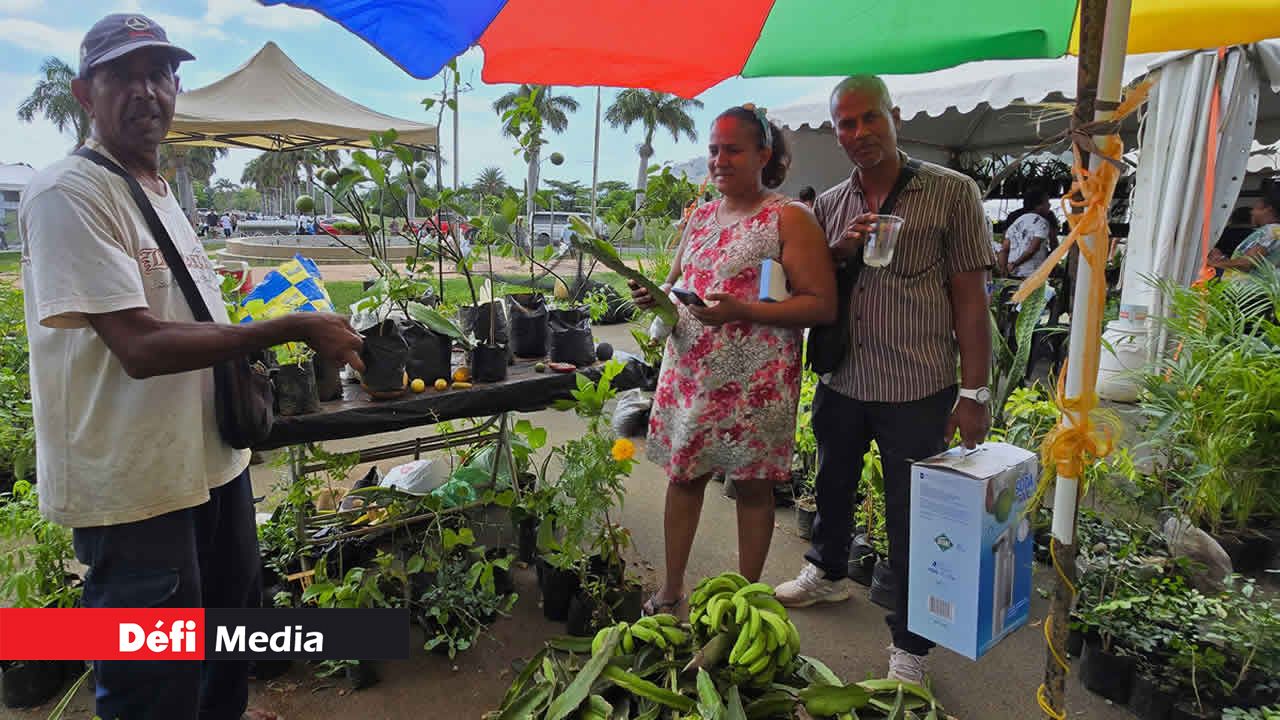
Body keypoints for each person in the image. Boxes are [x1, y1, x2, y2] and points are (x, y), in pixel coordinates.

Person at [18, 14, 365, 720]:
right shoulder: (68, 193)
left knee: (225, 650)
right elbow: (139, 346)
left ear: (176, 87)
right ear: (84, 94)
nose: (146, 90)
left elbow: (193, 321)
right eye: (123, 76)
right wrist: (294, 326)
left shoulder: (158, 191)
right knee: (154, 689)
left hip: (210, 468)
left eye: (160, 74)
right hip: (135, 491)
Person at [772, 76, 994, 685]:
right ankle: (827, 572)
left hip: (917, 387)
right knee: (832, 485)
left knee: (911, 518)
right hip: (843, 379)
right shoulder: (829, 205)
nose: (860, 132)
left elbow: (971, 300)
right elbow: (811, 286)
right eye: (846, 123)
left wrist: (974, 392)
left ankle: (910, 645)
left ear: (894, 116)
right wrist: (838, 251)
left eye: (870, 118)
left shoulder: (952, 192)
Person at [629, 105, 836, 615]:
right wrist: (655, 297)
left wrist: (743, 310)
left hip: (754, 382)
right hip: (690, 375)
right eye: (714, 150)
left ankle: (744, 601)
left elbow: (822, 304)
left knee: (752, 487)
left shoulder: (789, 217)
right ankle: (671, 588)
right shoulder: (701, 216)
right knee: (684, 478)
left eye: (733, 150)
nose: (719, 160)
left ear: (764, 155)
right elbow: (677, 283)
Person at [1208, 187, 1280, 280]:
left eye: (1255, 208)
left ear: (1268, 210)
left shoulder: (1272, 230)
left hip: (1244, 286)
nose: (1252, 212)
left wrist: (1213, 263)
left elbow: (1246, 263)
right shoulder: (1273, 231)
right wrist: (1222, 258)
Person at [999, 190, 1052, 278]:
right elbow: (1032, 249)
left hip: (1013, 273)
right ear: (1038, 205)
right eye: (1047, 202)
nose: (1050, 205)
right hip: (1032, 274)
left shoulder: (1016, 223)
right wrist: (1015, 264)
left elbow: (1004, 249)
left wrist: (1004, 269)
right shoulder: (1042, 223)